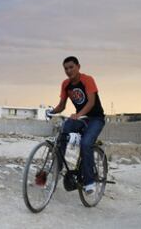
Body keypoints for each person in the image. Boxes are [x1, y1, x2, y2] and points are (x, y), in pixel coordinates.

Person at [47, 56, 105, 194]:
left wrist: (78, 115)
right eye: (66, 68)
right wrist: (51, 111)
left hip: (96, 119)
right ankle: (57, 168)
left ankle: (89, 181)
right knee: (63, 132)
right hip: (81, 119)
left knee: (85, 144)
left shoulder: (87, 80)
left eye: (71, 67)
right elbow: (62, 106)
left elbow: (91, 102)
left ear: (78, 66)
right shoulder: (65, 84)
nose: (68, 70)